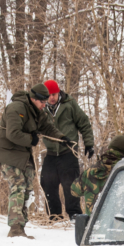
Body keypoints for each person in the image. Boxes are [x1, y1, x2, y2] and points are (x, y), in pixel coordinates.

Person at [0, 83, 67, 238]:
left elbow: (47, 128)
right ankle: (15, 228)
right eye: (42, 102)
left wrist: (62, 138)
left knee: (27, 188)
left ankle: (21, 226)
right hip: (7, 152)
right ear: (33, 98)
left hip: (22, 153)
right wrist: (30, 139)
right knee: (18, 186)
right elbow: (13, 134)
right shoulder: (16, 108)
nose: (44, 105)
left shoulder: (37, 111)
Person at [40, 80, 94, 220]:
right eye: (49, 95)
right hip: (51, 153)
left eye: (54, 94)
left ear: (59, 93)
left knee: (71, 186)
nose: (52, 97)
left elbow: (84, 123)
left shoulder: (69, 105)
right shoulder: (41, 108)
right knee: (47, 182)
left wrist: (89, 143)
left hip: (68, 153)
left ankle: (74, 215)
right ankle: (55, 215)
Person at [70, 134, 124, 214]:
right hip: (119, 225)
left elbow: (74, 191)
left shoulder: (90, 172)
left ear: (108, 149)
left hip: (93, 225)